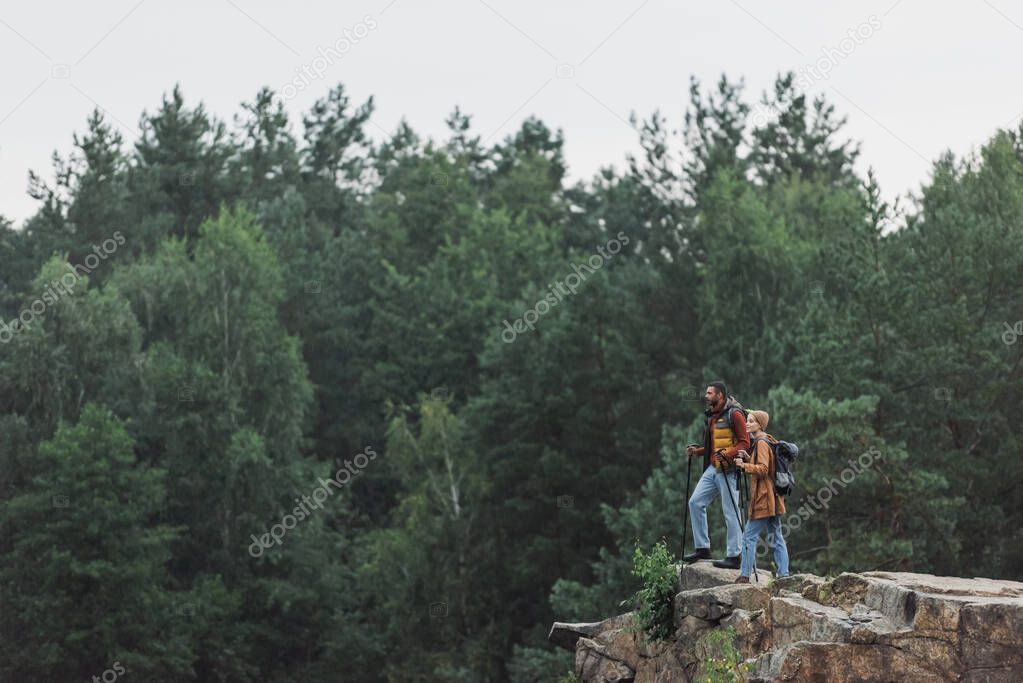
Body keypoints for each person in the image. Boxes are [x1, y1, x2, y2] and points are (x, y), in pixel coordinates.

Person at [683, 381, 750, 569]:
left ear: (720, 395)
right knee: (695, 502)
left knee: (731, 513)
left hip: (729, 470)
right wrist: (697, 452)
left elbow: (745, 443)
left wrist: (727, 454)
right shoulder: (712, 416)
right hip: (713, 467)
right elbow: (714, 447)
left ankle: (734, 556)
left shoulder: (734, 414)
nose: (706, 396)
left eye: (709, 393)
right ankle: (703, 548)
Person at [733, 409, 790, 583]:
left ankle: (744, 575)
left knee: (749, 536)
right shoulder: (767, 440)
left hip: (764, 499)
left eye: (751, 421)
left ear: (760, 424)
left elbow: (764, 469)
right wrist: (749, 458)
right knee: (776, 537)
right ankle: (784, 575)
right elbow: (765, 465)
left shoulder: (761, 443)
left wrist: (744, 466)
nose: (747, 423)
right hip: (773, 498)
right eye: (747, 421)